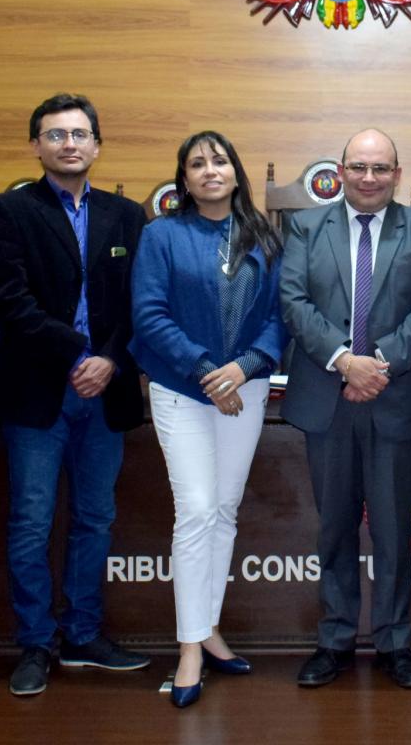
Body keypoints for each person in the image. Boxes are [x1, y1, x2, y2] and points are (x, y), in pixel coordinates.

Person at [0, 93, 149, 696]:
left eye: (79, 134)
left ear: (97, 146)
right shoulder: (8, 210)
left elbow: (140, 303)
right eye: (55, 135)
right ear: (36, 146)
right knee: (31, 522)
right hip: (38, 393)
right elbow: (10, 301)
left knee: (94, 519)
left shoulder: (126, 216)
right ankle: (35, 642)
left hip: (106, 392)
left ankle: (82, 634)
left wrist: (109, 359)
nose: (69, 144)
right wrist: (79, 352)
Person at [279, 128, 411, 690]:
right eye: (359, 166)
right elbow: (293, 301)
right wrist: (343, 361)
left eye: (381, 168)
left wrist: (377, 364)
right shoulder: (306, 226)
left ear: (397, 175)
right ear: (340, 171)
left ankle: (395, 643)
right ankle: (333, 640)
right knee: (334, 528)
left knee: (394, 531)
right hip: (327, 401)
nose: (369, 177)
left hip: (394, 399)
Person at [130, 131, 287, 708]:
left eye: (219, 160)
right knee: (196, 511)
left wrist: (244, 367)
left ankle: (210, 628)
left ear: (235, 172)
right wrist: (205, 371)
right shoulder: (162, 235)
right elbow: (149, 314)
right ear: (184, 179)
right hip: (182, 390)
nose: (209, 170)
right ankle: (190, 648)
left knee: (223, 511)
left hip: (244, 390)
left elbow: (280, 316)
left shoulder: (264, 235)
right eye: (197, 164)